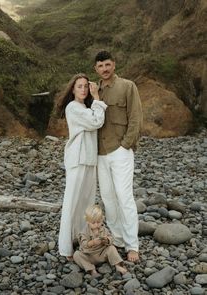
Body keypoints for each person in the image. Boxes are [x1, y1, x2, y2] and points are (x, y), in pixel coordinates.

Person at [94, 50, 143, 262]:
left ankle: (132, 245)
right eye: (100, 66)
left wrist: (126, 145)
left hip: (120, 151)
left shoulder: (127, 86)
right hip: (100, 153)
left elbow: (136, 117)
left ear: (114, 64)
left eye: (107, 64)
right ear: (96, 69)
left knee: (125, 198)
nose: (104, 69)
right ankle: (117, 239)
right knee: (108, 199)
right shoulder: (94, 90)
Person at [56, 73, 107, 261]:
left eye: (86, 86)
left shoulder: (85, 107)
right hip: (77, 159)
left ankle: (81, 240)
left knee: (86, 203)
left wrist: (94, 104)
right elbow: (96, 122)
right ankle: (66, 247)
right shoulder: (73, 107)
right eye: (80, 86)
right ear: (73, 89)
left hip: (89, 159)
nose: (84, 89)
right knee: (72, 202)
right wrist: (98, 100)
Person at [73, 205, 127, 277]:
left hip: (102, 253)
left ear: (102, 219)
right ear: (87, 221)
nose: (96, 225)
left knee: (111, 248)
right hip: (89, 255)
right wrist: (92, 242)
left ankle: (118, 266)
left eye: (98, 222)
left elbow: (111, 238)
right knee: (76, 255)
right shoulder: (84, 232)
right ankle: (92, 270)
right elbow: (83, 244)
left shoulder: (104, 229)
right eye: (93, 223)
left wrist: (107, 240)